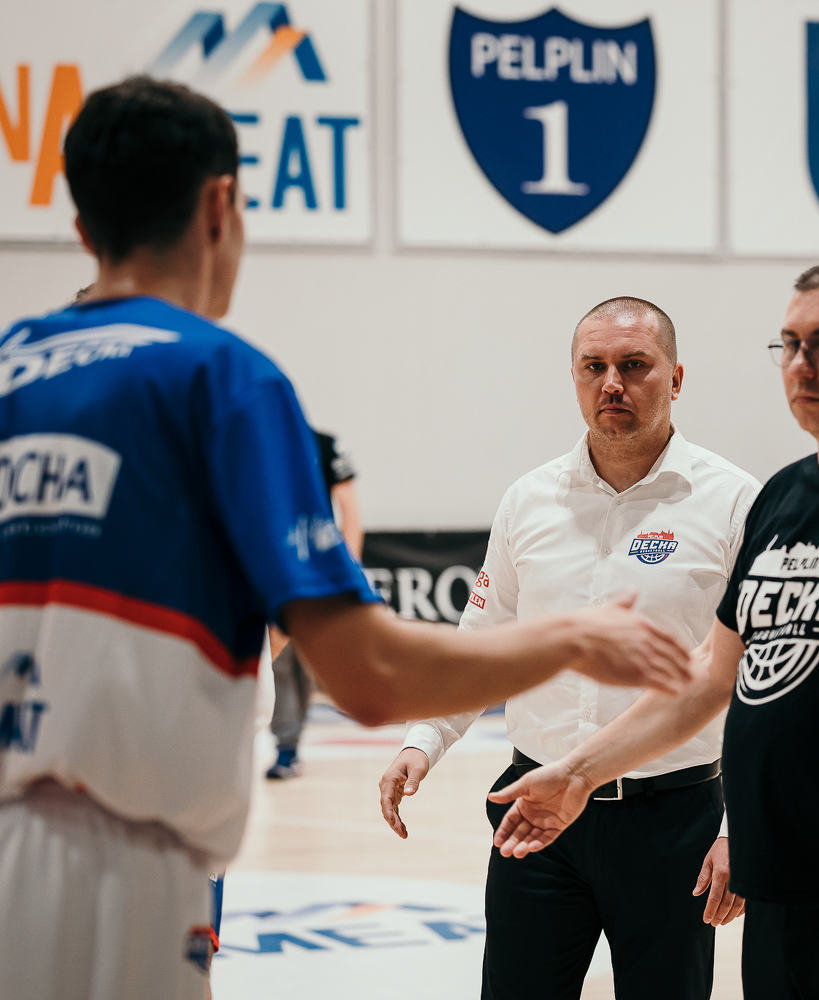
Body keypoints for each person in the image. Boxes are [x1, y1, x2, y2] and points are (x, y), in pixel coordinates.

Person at [0, 76, 689, 1000]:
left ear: (83, 225)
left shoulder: (11, 370)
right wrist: (571, 639)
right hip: (125, 865)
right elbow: (369, 678)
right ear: (221, 205)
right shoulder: (221, 380)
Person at [486, 261, 819, 1000]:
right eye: (790, 344)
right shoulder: (783, 500)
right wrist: (579, 774)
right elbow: (709, 677)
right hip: (781, 895)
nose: (802, 365)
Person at [377, 296, 760, 1000]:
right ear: (575, 377)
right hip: (534, 810)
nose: (611, 383)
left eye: (634, 365)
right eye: (593, 367)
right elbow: (482, 640)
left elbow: (757, 683)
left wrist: (741, 829)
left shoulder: (736, 502)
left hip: (673, 821)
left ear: (676, 378)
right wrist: (424, 739)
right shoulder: (528, 499)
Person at [265, 429, 364, 779]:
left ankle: (289, 743)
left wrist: (349, 570)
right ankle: (286, 746)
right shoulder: (262, 442)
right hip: (277, 561)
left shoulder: (323, 443)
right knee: (280, 657)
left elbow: (349, 508)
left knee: (304, 659)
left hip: (317, 565)